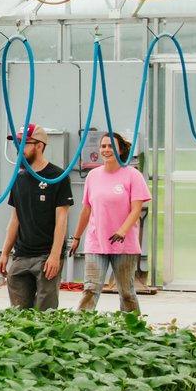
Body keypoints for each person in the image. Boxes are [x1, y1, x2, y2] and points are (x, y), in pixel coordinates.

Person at [68, 131, 150, 314]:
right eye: (103, 146)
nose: (106, 150)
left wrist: (122, 231)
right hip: (96, 241)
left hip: (124, 243)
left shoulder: (132, 175)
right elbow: (86, 209)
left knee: (126, 291)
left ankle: (132, 328)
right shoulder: (93, 176)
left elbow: (136, 209)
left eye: (111, 146)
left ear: (120, 150)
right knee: (90, 288)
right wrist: (76, 237)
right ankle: (80, 327)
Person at [0, 124, 72, 309]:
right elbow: (15, 219)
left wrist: (55, 255)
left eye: (24, 144)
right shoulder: (19, 178)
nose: (19, 149)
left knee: (46, 312)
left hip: (46, 255)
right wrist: (5, 253)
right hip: (21, 254)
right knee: (18, 310)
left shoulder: (57, 176)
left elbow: (61, 219)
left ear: (39, 146)